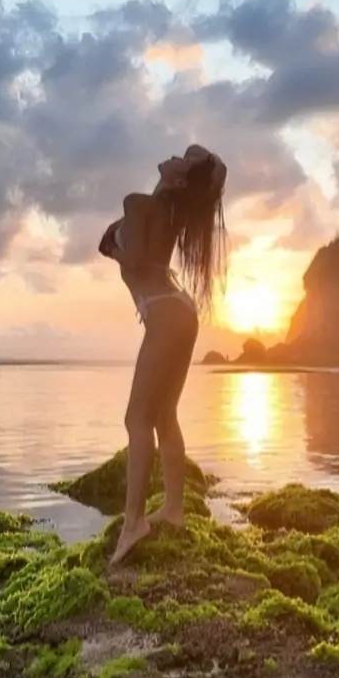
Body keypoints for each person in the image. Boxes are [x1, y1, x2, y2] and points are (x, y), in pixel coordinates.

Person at [98, 144, 228, 567]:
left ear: (176, 179)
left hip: (164, 314)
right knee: (164, 415)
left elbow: (134, 261)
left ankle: (133, 521)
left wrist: (112, 249)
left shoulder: (139, 204)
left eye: (183, 159)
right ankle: (174, 509)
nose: (175, 155)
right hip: (181, 312)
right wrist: (197, 170)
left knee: (136, 420)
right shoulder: (167, 215)